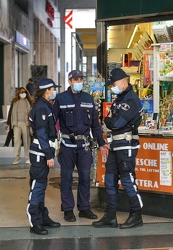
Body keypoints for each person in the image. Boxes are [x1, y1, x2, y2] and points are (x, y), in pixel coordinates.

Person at [53, 70, 108, 222]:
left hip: (84, 145)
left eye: (80, 79)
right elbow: (52, 122)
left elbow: (95, 125)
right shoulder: (61, 99)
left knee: (85, 177)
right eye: (76, 79)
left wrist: (101, 143)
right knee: (66, 178)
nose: (79, 82)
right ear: (70, 81)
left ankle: (84, 208)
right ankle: (68, 209)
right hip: (67, 145)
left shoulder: (88, 99)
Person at [92, 68, 143, 229]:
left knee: (128, 180)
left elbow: (114, 123)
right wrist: (109, 121)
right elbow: (107, 119)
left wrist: (109, 121)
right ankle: (110, 216)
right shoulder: (120, 98)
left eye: (113, 84)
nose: (112, 87)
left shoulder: (131, 100)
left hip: (126, 145)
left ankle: (136, 215)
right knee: (110, 179)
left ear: (122, 81)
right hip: (115, 144)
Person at [27, 78, 61, 235]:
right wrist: (49, 155)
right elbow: (41, 133)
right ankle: (35, 222)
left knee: (41, 186)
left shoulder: (45, 106)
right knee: (37, 187)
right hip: (40, 152)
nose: (54, 91)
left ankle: (42, 217)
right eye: (53, 89)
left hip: (44, 151)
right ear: (47, 90)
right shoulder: (42, 107)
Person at [4, 87, 33, 164]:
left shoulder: (29, 102)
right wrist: (7, 123)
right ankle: (17, 157)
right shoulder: (15, 102)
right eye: (21, 92)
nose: (22, 93)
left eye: (24, 92)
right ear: (18, 93)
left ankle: (27, 157)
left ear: (26, 93)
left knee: (27, 140)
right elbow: (10, 113)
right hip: (16, 123)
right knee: (16, 140)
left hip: (26, 124)